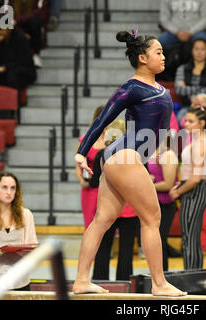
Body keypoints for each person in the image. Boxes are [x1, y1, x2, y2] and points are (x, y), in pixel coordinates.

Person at [72, 30, 186, 296]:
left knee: (102, 220)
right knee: (152, 217)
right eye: (158, 52)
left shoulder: (158, 89)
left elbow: (153, 129)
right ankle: (159, 284)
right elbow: (103, 119)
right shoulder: (132, 87)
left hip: (122, 155)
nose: (163, 56)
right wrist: (82, 151)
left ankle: (80, 280)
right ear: (143, 58)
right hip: (124, 155)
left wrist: (154, 150)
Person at [90, 121, 140, 281]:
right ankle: (125, 283)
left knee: (103, 247)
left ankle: (99, 280)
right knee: (126, 250)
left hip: (108, 206)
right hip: (129, 207)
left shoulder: (102, 154)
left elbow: (93, 182)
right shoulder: (132, 155)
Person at [169, 106, 206, 270]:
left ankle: (192, 277)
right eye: (186, 120)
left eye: (191, 121)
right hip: (192, 189)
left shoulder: (200, 144)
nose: (186, 124)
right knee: (190, 239)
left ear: (201, 123)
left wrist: (178, 191)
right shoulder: (196, 141)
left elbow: (195, 178)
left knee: (190, 239)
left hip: (195, 190)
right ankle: (194, 275)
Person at [147, 132, 179, 272]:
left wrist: (146, 185)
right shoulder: (151, 152)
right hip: (152, 203)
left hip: (164, 204)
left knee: (160, 241)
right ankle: (156, 274)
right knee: (153, 242)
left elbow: (168, 184)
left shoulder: (168, 155)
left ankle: (163, 274)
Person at [174, 38, 206, 121]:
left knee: (203, 117)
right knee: (180, 117)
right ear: (192, 51)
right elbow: (179, 89)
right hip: (188, 106)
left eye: (202, 49)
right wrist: (200, 89)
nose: (199, 52)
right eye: (196, 49)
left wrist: (189, 91)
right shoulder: (182, 69)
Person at [0, 24, 37, 91]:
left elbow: (23, 62)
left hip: (23, 71)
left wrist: (3, 68)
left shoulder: (21, 38)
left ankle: (14, 100)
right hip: (3, 70)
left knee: (12, 75)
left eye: (2, 29)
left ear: (10, 29)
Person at [75, 105, 105, 229]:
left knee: (107, 225)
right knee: (90, 225)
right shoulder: (86, 140)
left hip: (107, 188)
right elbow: (78, 167)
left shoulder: (114, 138)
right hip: (90, 187)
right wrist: (82, 180)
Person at [10, 0, 50, 68]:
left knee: (36, 21)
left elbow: (41, 14)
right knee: (6, 23)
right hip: (15, 28)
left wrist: (18, 20)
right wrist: (22, 33)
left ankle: (35, 55)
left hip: (31, 28)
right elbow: (5, 14)